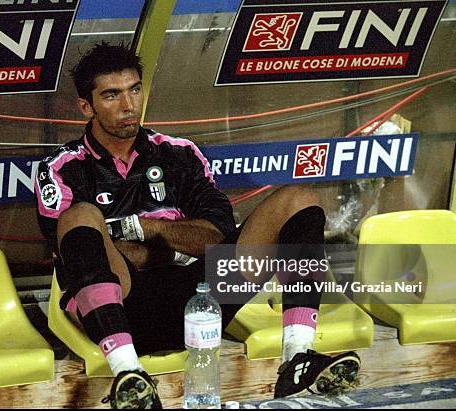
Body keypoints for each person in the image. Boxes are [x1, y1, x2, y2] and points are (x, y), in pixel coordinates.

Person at [35, 42, 360, 409]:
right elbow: (75, 253)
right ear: (86, 106)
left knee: (299, 200)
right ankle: (130, 375)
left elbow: (214, 236)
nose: (128, 106)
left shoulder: (180, 154)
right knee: (80, 216)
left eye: (135, 90)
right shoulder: (63, 168)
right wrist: (171, 241)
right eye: (111, 95)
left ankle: (297, 358)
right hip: (121, 309)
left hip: (200, 301)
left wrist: (146, 228)